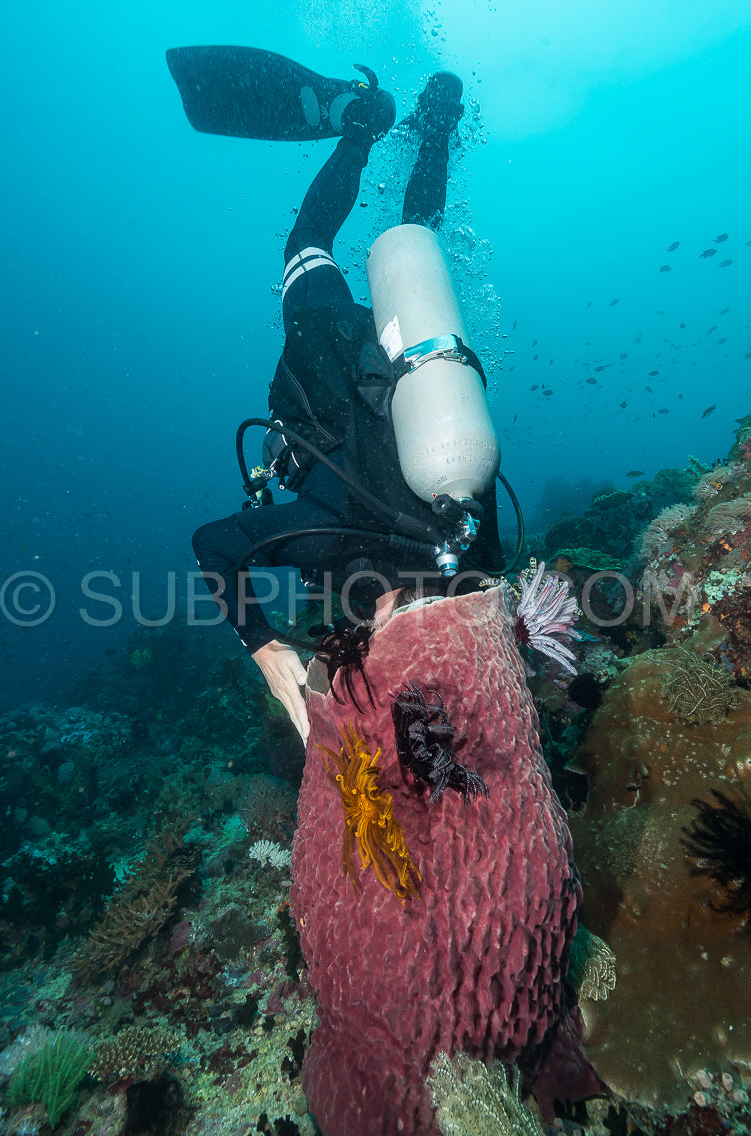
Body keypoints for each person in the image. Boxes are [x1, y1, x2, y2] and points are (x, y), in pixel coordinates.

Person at [192, 71, 502, 744]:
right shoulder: (329, 537)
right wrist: (267, 653)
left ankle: (433, 129)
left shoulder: (469, 544)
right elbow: (213, 544)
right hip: (326, 354)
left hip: (401, 361)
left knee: (416, 237)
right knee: (305, 243)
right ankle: (358, 125)